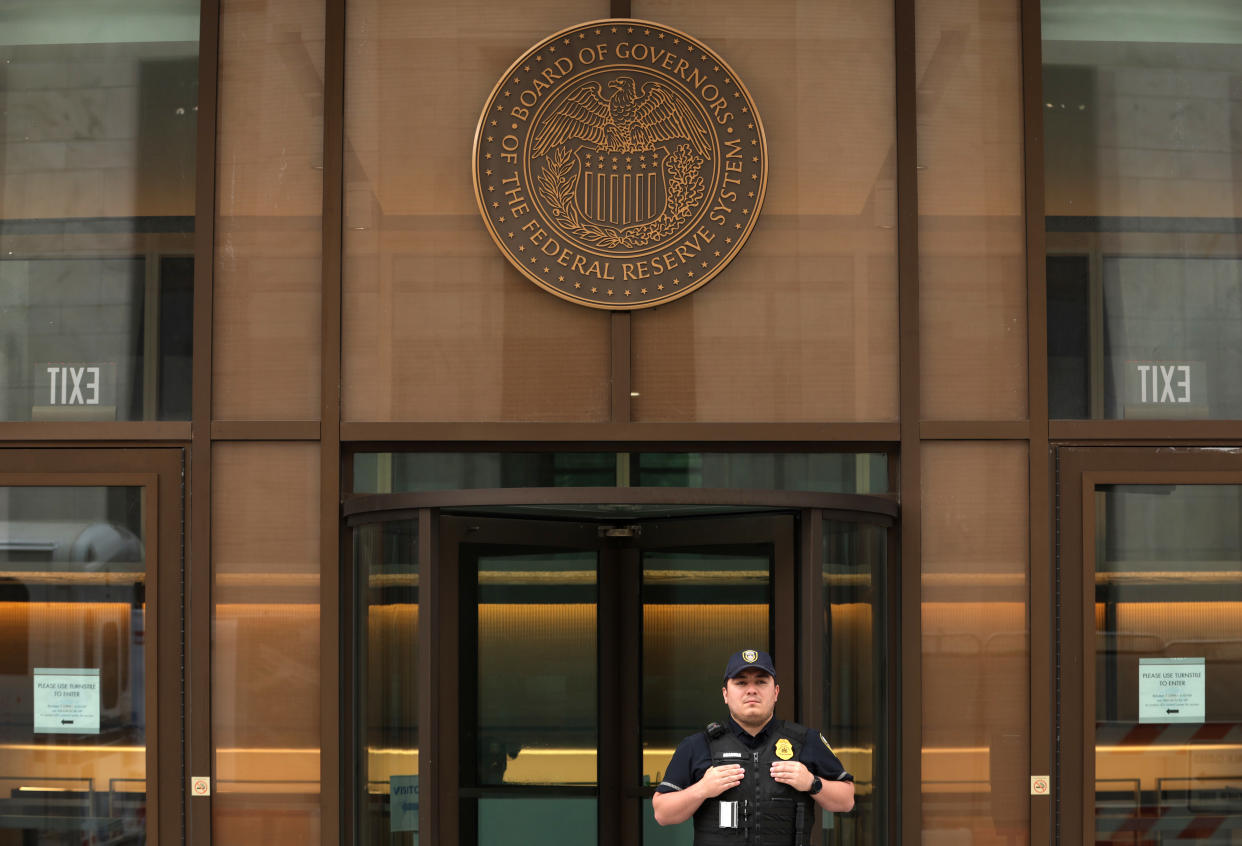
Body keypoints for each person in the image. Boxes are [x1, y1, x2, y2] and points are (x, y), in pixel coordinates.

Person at [651, 649, 854, 844]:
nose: (751, 690)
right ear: (725, 694)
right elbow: (662, 813)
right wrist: (701, 789)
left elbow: (846, 801)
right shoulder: (697, 745)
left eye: (761, 682)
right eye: (741, 682)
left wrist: (812, 782)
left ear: (775, 692)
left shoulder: (806, 740)